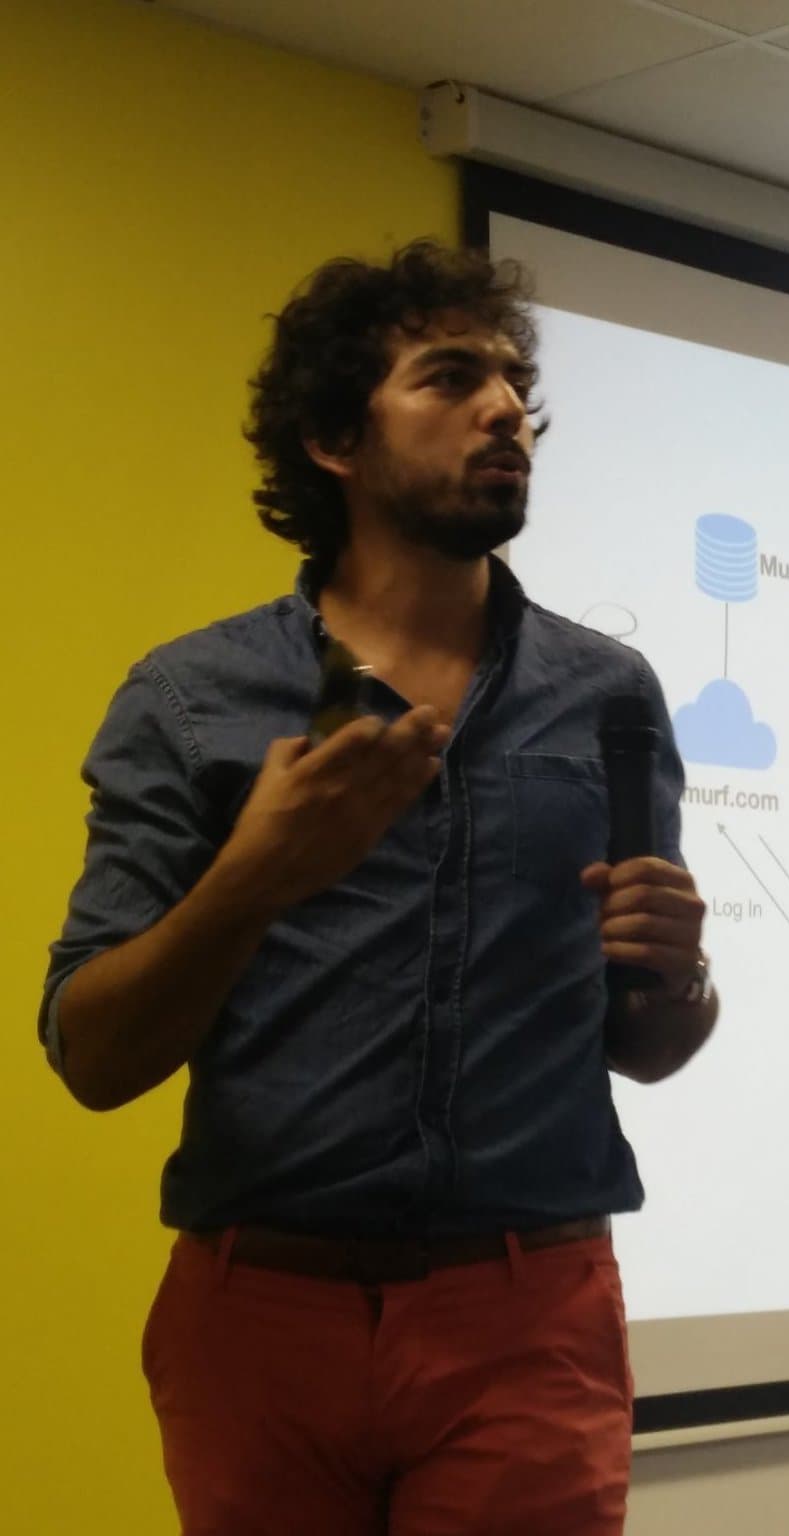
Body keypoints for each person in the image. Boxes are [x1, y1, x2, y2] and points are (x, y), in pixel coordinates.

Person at [38, 240, 717, 1534]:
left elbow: (646, 1043)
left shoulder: (608, 694)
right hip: (262, 1320)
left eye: (515, 383)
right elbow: (93, 1053)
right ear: (333, 440)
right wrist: (254, 880)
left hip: (526, 1315)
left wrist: (682, 975)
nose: (506, 408)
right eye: (452, 378)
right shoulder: (191, 699)